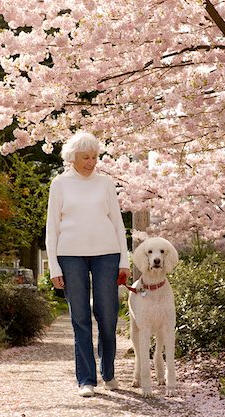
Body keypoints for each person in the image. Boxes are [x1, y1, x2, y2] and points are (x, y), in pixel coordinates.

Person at [46, 131, 130, 397]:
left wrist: (124, 261)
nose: (91, 162)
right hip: (70, 256)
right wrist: (54, 267)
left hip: (107, 254)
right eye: (86, 157)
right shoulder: (59, 184)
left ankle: (109, 372)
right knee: (79, 318)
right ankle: (86, 379)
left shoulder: (105, 183)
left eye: (94, 157)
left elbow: (118, 224)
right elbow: (52, 228)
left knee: (107, 315)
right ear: (73, 157)